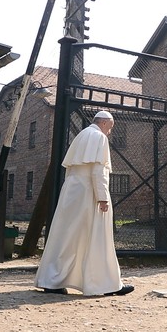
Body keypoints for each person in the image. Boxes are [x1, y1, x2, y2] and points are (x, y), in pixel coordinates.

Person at [35, 110, 134, 296]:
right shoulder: (98, 137)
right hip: (89, 192)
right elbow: (98, 171)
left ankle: (52, 280)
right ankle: (105, 284)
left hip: (71, 191)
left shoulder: (81, 135)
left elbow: (72, 168)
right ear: (104, 123)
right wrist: (103, 198)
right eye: (110, 128)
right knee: (98, 237)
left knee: (66, 236)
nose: (110, 132)